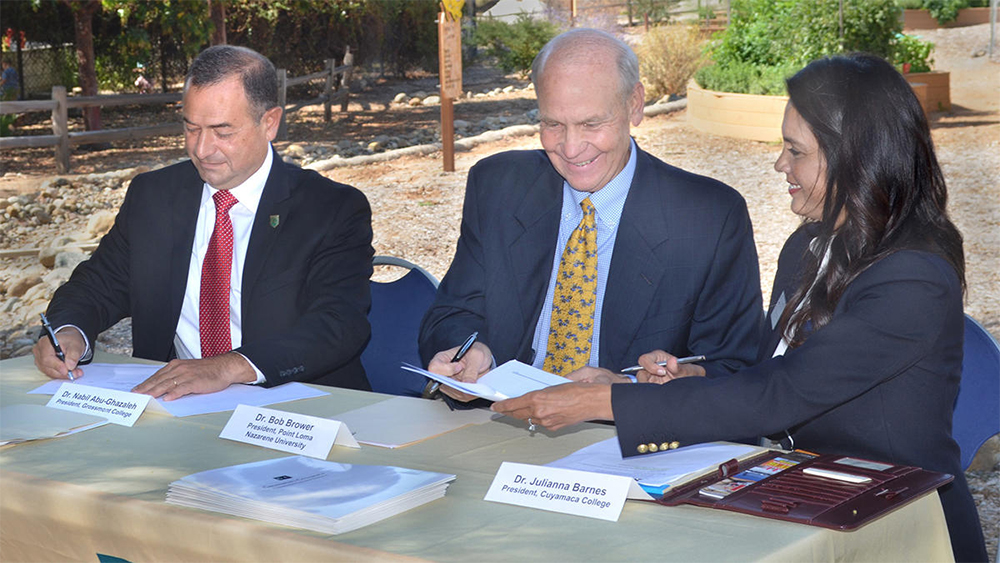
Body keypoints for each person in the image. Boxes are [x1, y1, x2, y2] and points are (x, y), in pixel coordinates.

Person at [493, 53, 987, 562]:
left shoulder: (913, 278)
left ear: (854, 158)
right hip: (806, 500)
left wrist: (604, 405)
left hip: (895, 524)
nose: (780, 164)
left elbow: (784, 392)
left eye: (795, 151)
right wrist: (681, 379)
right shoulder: (809, 245)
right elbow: (769, 371)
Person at [418, 29, 762, 402]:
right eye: (552, 124)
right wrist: (467, 354)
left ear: (635, 105)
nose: (570, 147)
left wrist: (627, 391)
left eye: (591, 124)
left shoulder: (708, 218)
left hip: (624, 443)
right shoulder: (498, 186)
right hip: (497, 424)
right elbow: (451, 314)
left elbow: (734, 372)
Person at [33, 45, 374, 399]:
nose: (202, 149)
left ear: (269, 123)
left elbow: (338, 324)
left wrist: (228, 367)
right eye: (191, 128)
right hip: (176, 408)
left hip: (296, 408)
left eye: (222, 132)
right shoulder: (154, 196)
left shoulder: (330, 209)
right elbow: (97, 285)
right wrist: (68, 331)